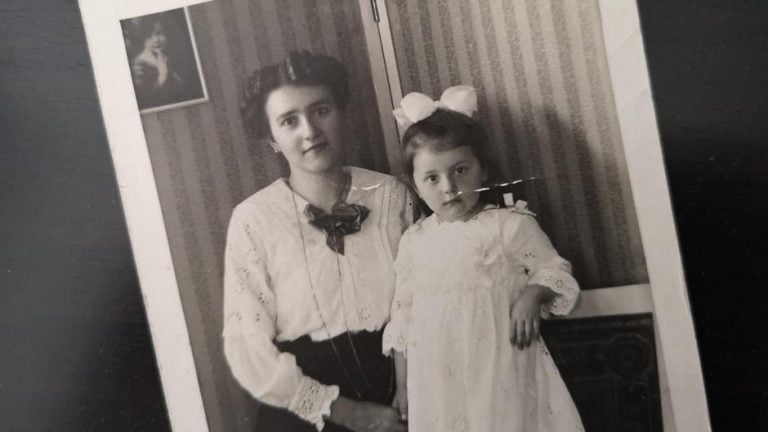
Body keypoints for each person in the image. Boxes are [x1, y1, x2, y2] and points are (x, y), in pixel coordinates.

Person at [223, 50, 412, 432]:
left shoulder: (392, 195)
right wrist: (345, 412)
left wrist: (410, 385)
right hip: (305, 411)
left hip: (401, 393)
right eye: (289, 120)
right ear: (272, 138)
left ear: (341, 113)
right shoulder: (253, 220)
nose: (309, 130)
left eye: (321, 110)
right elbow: (247, 346)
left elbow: (422, 297)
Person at [382, 86, 585, 431]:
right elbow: (402, 317)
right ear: (416, 186)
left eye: (460, 170)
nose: (449, 187)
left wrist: (532, 295)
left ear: (483, 170)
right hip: (438, 377)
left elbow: (554, 270)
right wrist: (403, 386)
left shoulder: (509, 225)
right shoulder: (414, 242)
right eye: (432, 178)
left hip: (500, 366)